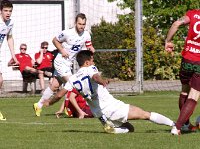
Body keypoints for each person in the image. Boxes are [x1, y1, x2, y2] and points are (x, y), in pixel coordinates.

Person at [43, 50, 174, 134]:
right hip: (111, 107)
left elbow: (60, 94)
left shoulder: (72, 78)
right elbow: (95, 77)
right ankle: (174, 125)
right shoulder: (91, 68)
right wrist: (102, 81)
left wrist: (49, 102)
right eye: (92, 60)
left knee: (130, 129)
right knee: (145, 114)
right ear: (87, 62)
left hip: (99, 113)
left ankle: (113, 130)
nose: (94, 62)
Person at [33, 13, 95, 117]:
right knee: (74, 84)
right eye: (80, 24)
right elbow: (54, 40)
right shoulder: (67, 33)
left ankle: (38, 105)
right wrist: (61, 50)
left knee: (55, 86)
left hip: (68, 64)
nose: (82, 26)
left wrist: (91, 49)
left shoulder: (86, 34)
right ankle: (72, 109)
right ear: (75, 23)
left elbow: (89, 45)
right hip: (61, 61)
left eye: (84, 24)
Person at [165, 9, 200, 135]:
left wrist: (168, 41)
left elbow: (176, 24)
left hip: (186, 60)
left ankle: (185, 125)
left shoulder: (193, 14)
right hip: (199, 62)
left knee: (184, 91)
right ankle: (178, 127)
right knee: (194, 95)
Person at [0, 0, 19, 93]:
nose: (8, 13)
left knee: (0, 81)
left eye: (10, 11)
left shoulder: (10, 23)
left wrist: (13, 55)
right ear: (0, 11)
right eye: (5, 10)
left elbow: (9, 38)